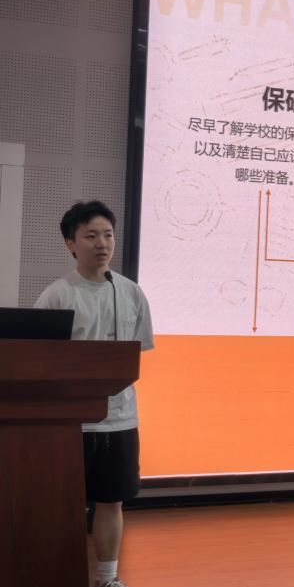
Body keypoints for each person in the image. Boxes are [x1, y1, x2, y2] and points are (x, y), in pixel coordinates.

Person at [35, 200, 153, 587]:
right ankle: (57, 573)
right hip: (70, 422)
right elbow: (40, 360)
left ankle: (107, 578)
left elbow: (136, 354)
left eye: (108, 235)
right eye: (90, 236)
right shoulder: (57, 295)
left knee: (111, 500)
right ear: (71, 243)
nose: (102, 243)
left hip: (119, 418)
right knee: (60, 503)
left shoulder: (131, 293)